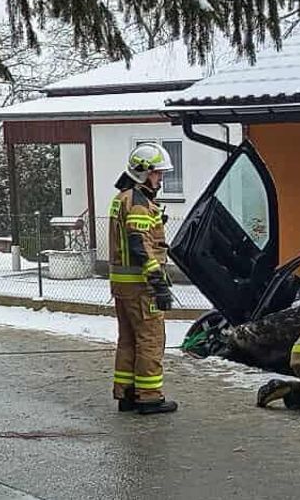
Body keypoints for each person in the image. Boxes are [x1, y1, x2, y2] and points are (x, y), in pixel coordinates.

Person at [109, 143, 179, 415]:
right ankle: (149, 396)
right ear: (143, 172)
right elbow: (138, 244)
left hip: (122, 286)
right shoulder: (139, 203)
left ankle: (126, 393)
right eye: (157, 174)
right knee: (150, 339)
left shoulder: (123, 198)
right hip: (141, 286)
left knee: (128, 340)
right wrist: (157, 281)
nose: (160, 179)